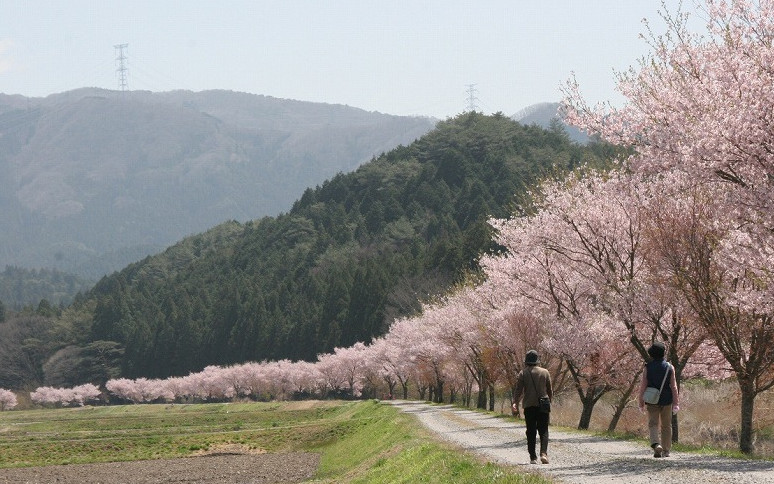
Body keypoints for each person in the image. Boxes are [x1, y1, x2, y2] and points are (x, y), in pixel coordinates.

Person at [638, 341, 680, 458]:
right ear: (663, 353)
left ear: (651, 354)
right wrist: (676, 403)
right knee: (666, 425)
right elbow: (674, 386)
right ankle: (666, 450)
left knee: (653, 424)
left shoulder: (648, 367)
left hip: (652, 400)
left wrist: (641, 402)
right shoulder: (669, 367)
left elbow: (643, 386)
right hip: (667, 400)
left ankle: (656, 445)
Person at [512, 349, 552, 464]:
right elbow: (550, 390)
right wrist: (550, 401)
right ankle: (543, 453)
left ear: (526, 361)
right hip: (543, 405)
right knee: (544, 430)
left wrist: (515, 402)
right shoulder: (545, 372)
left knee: (531, 431)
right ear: (537, 360)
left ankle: (533, 457)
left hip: (529, 406)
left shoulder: (523, 373)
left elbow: (518, 390)